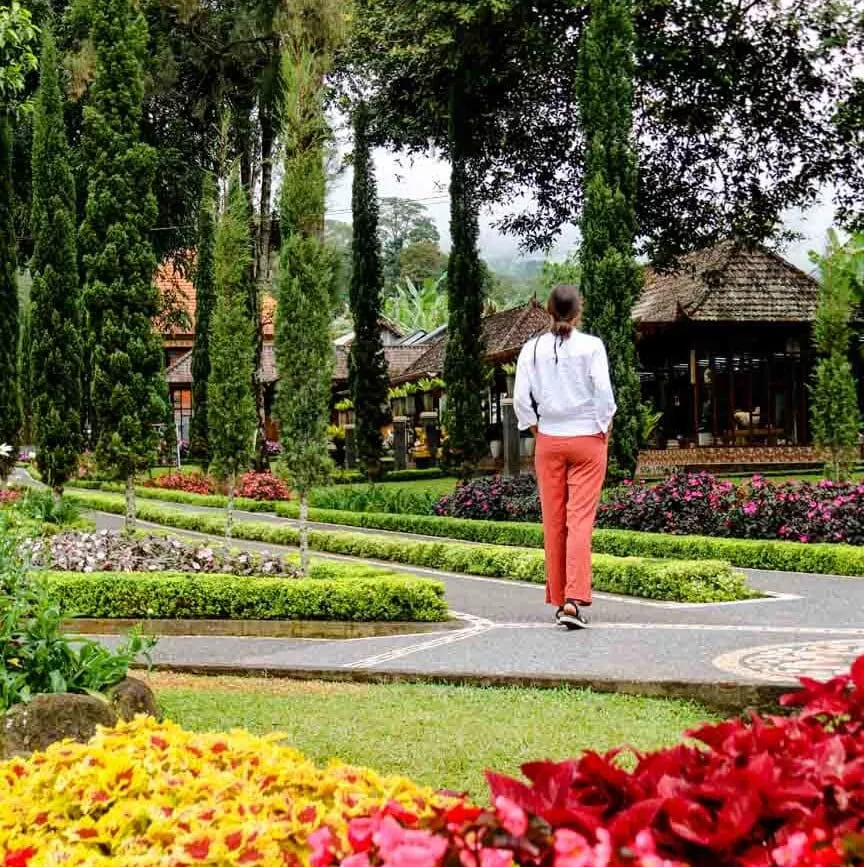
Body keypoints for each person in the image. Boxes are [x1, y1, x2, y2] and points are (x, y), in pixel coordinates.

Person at [514, 284, 616, 630]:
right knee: (580, 521)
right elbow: (603, 392)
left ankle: (560, 599)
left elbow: (520, 399)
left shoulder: (531, 349)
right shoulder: (592, 346)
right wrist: (603, 426)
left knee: (554, 521)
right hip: (588, 438)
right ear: (578, 309)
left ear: (548, 310)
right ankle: (573, 601)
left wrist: (535, 428)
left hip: (550, 439)